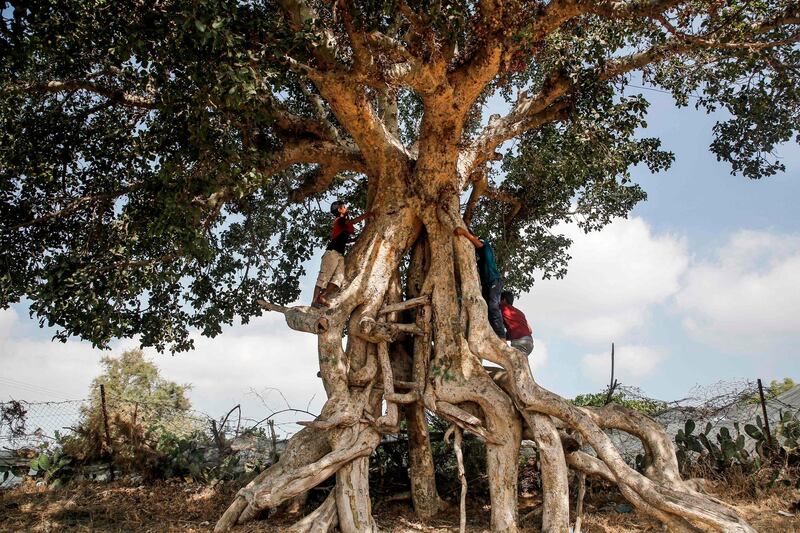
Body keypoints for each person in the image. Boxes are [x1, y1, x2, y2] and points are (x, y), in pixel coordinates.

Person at [312, 201, 373, 307]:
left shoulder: (341, 223)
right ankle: (314, 301)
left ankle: (321, 296)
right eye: (344, 207)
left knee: (338, 280)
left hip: (340, 254)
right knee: (323, 278)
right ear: (339, 209)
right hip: (332, 253)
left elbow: (342, 238)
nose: (346, 208)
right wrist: (367, 214)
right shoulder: (340, 220)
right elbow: (353, 221)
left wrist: (354, 240)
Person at [453, 227, 506, 338]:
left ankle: (502, 336)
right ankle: (492, 335)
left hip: (494, 281)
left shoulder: (484, 243)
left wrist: (464, 233)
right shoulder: (477, 258)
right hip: (486, 285)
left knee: (493, 307)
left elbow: (479, 244)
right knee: (485, 309)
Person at [500, 291, 534, 356]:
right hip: (529, 342)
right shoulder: (520, 313)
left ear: (504, 300)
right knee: (519, 364)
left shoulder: (503, 307)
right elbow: (530, 330)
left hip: (519, 342)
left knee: (512, 363)